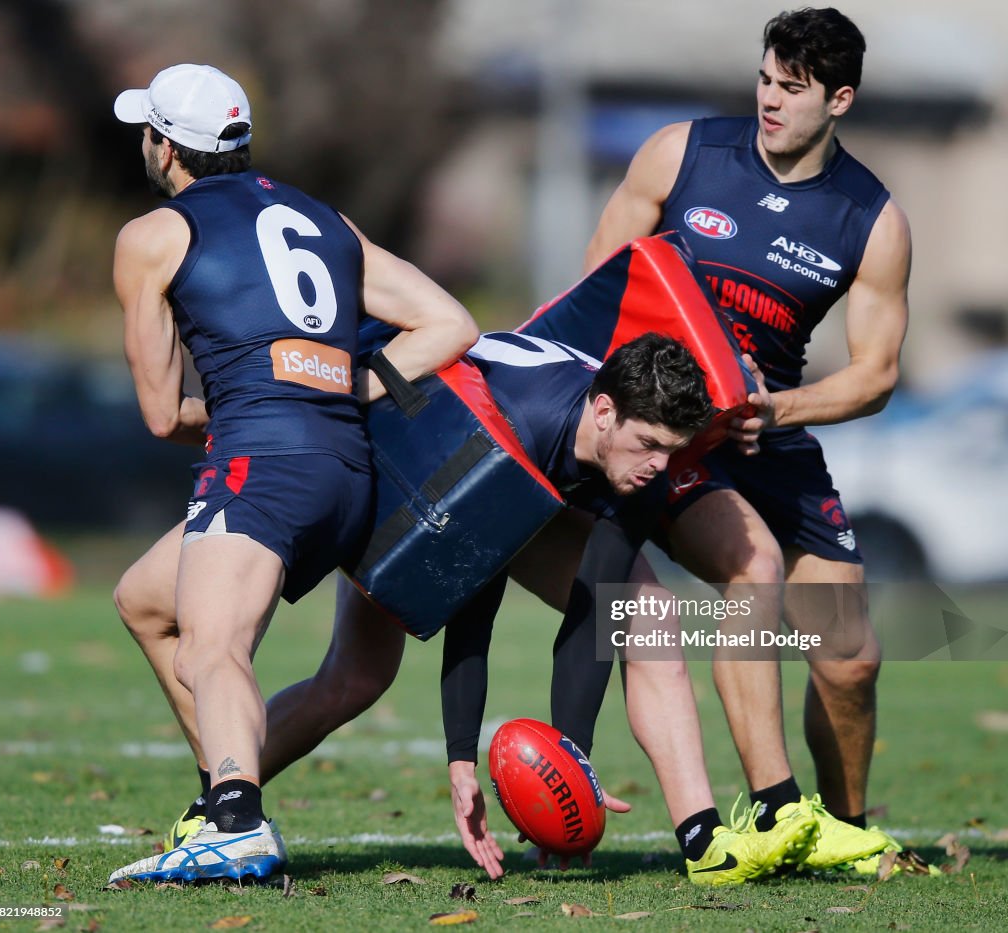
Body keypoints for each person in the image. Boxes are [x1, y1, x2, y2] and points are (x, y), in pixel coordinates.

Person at [115, 330, 822, 886]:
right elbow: (473, 602)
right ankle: (220, 806)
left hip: (473, 472)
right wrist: (461, 759)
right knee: (345, 673)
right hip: (391, 455)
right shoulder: (524, 428)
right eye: (649, 446)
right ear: (604, 412)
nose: (659, 467)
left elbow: (595, 609)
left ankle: (703, 838)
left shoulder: (636, 457)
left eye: (671, 451)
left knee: (645, 613)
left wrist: (569, 764)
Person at [106, 63, 478, 884]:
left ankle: (237, 822)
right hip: (349, 471)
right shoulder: (324, 217)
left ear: (167, 148)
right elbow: (450, 322)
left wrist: (252, 402)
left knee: (212, 646)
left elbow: (163, 415)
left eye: (148, 132)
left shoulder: (152, 236)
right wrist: (340, 385)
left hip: (262, 463)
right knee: (145, 599)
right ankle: (221, 798)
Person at [579, 7, 911, 873]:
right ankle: (774, 806)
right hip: (675, 430)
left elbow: (876, 374)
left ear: (839, 100)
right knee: (747, 567)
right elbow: (594, 286)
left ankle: (839, 828)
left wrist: (779, 409)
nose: (770, 99)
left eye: (792, 89)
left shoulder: (870, 218)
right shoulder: (680, 154)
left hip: (769, 426)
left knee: (851, 658)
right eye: (765, 79)